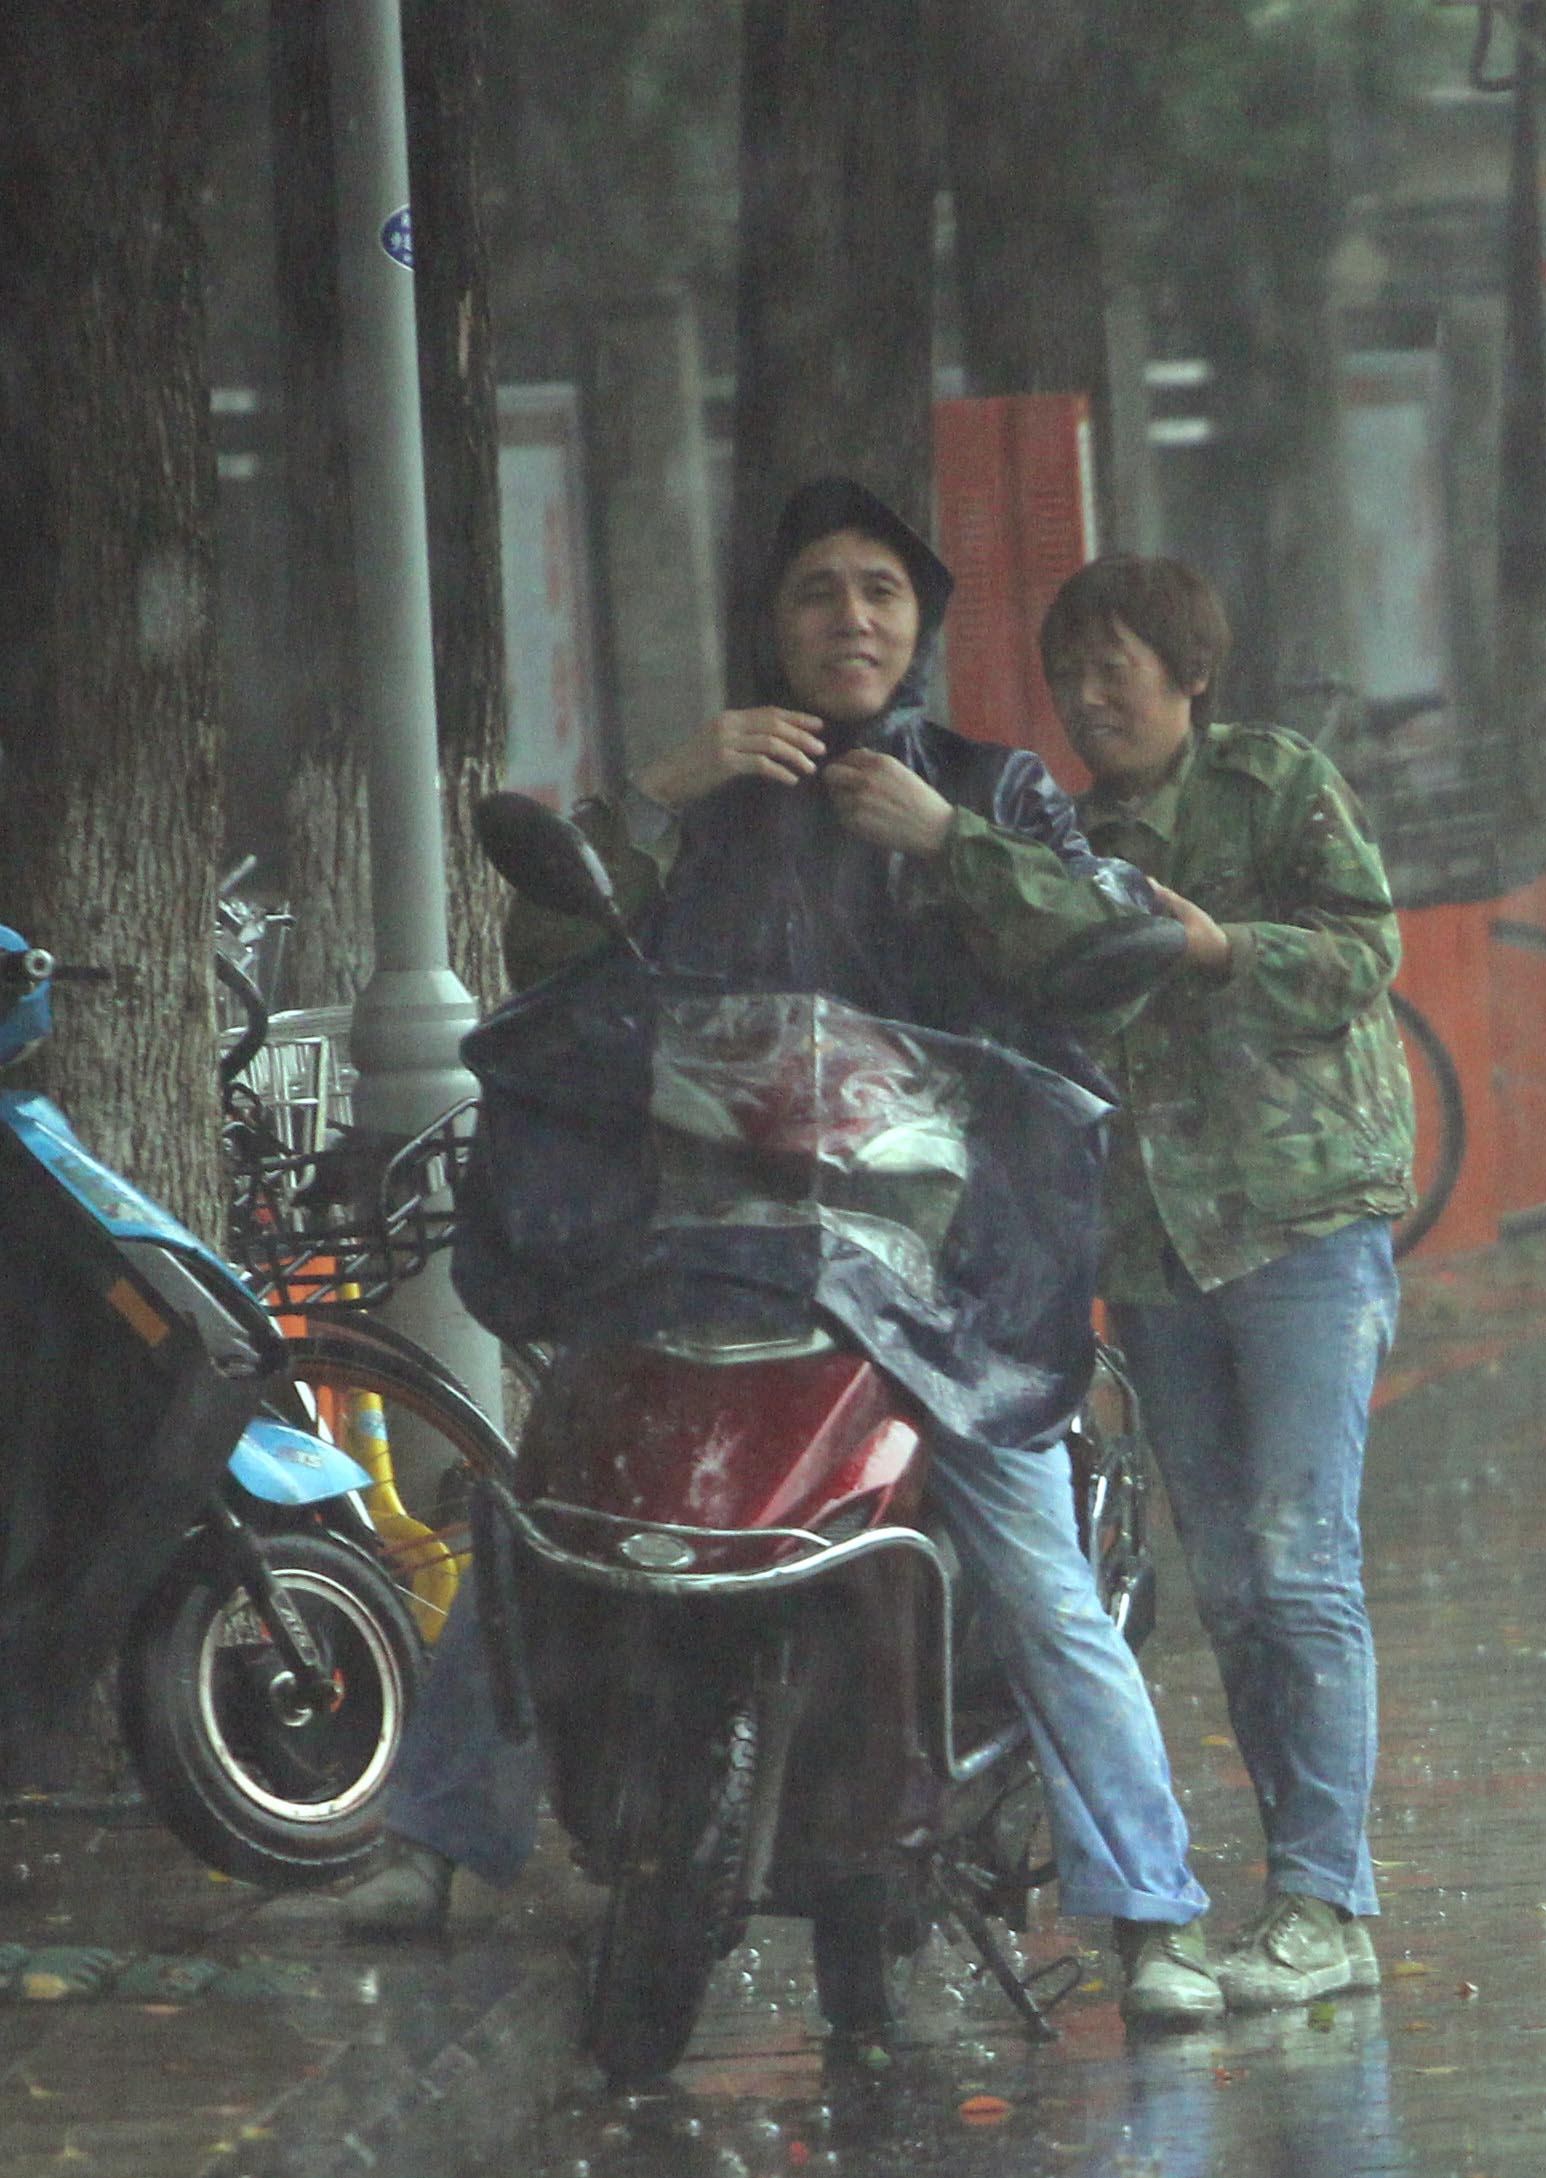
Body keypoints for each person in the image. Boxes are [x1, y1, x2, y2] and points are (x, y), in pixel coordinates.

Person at [271, 480, 1231, 2034]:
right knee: (540, 1512)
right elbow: (550, 962)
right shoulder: (710, 799)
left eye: (879, 593)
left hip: (942, 1275)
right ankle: (436, 1841)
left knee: (1041, 1576)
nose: (850, 619)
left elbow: (1090, 945)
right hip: (705, 1253)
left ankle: (1153, 1919)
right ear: (769, 629)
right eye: (816, 595)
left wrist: (950, 843)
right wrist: (655, 795)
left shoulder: (992, 786)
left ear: (920, 627)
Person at [1006, 553, 1411, 2016]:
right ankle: (1301, 1887)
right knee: (1232, 1586)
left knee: (1304, 1564)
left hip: (1307, 1221)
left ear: (1189, 671)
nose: (1092, 696)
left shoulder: (1273, 784)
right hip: (1158, 1245)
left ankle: (1325, 1899)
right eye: (1071, 672)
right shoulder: (1063, 836)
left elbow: (1369, 952)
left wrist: (1220, 944)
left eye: (1118, 665)